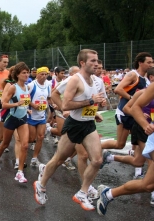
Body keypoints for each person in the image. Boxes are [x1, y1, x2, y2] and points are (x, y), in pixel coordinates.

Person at [33, 49, 106, 211]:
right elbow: (64, 103)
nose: (96, 64)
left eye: (97, 60)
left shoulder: (94, 80)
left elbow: (89, 102)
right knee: (59, 159)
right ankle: (41, 184)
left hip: (88, 124)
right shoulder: (75, 80)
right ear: (82, 63)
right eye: (93, 61)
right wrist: (88, 102)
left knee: (97, 160)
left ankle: (82, 192)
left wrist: (94, 113)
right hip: (74, 124)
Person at [98, 75, 154, 215]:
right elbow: (132, 107)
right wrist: (145, 124)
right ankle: (102, 152)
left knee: (148, 185)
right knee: (129, 152)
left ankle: (108, 194)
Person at [101, 53, 154, 151]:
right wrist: (132, 98)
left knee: (138, 138)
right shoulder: (133, 75)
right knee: (120, 144)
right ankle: (96, 148)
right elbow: (118, 89)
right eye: (149, 62)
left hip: (135, 113)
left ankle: (136, 160)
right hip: (125, 112)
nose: (151, 64)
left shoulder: (146, 78)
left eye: (152, 62)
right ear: (140, 63)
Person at [0, 62, 31, 183]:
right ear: (17, 75)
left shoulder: (27, 87)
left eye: (27, 72)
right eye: (24, 73)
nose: (27, 75)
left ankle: (20, 172)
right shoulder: (13, 87)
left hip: (23, 118)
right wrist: (17, 104)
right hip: (12, 118)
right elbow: (3, 104)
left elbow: (25, 102)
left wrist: (26, 108)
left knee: (25, 145)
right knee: (5, 144)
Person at [27, 66, 52, 167]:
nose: (44, 76)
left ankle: (34, 158)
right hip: (31, 115)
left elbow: (49, 98)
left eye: (46, 74)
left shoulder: (48, 85)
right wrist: (33, 105)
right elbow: (24, 97)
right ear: (37, 75)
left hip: (42, 116)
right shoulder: (31, 85)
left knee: (40, 137)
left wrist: (53, 105)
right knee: (31, 138)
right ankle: (20, 142)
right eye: (42, 74)